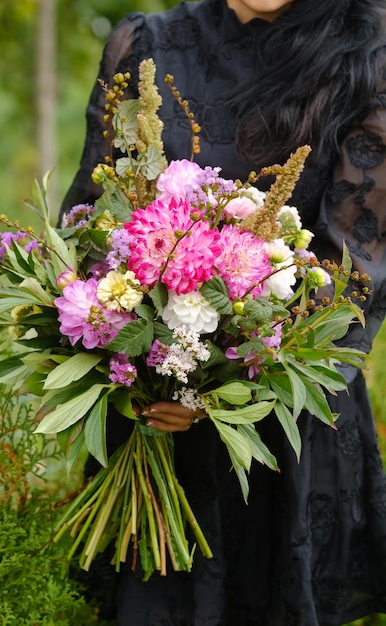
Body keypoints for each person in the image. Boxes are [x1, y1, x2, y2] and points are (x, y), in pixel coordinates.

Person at [59, 0, 386, 624]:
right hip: (152, 427)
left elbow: (355, 268)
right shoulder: (143, 43)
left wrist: (212, 387)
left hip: (285, 426)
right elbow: (90, 220)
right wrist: (125, 358)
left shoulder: (370, 52)